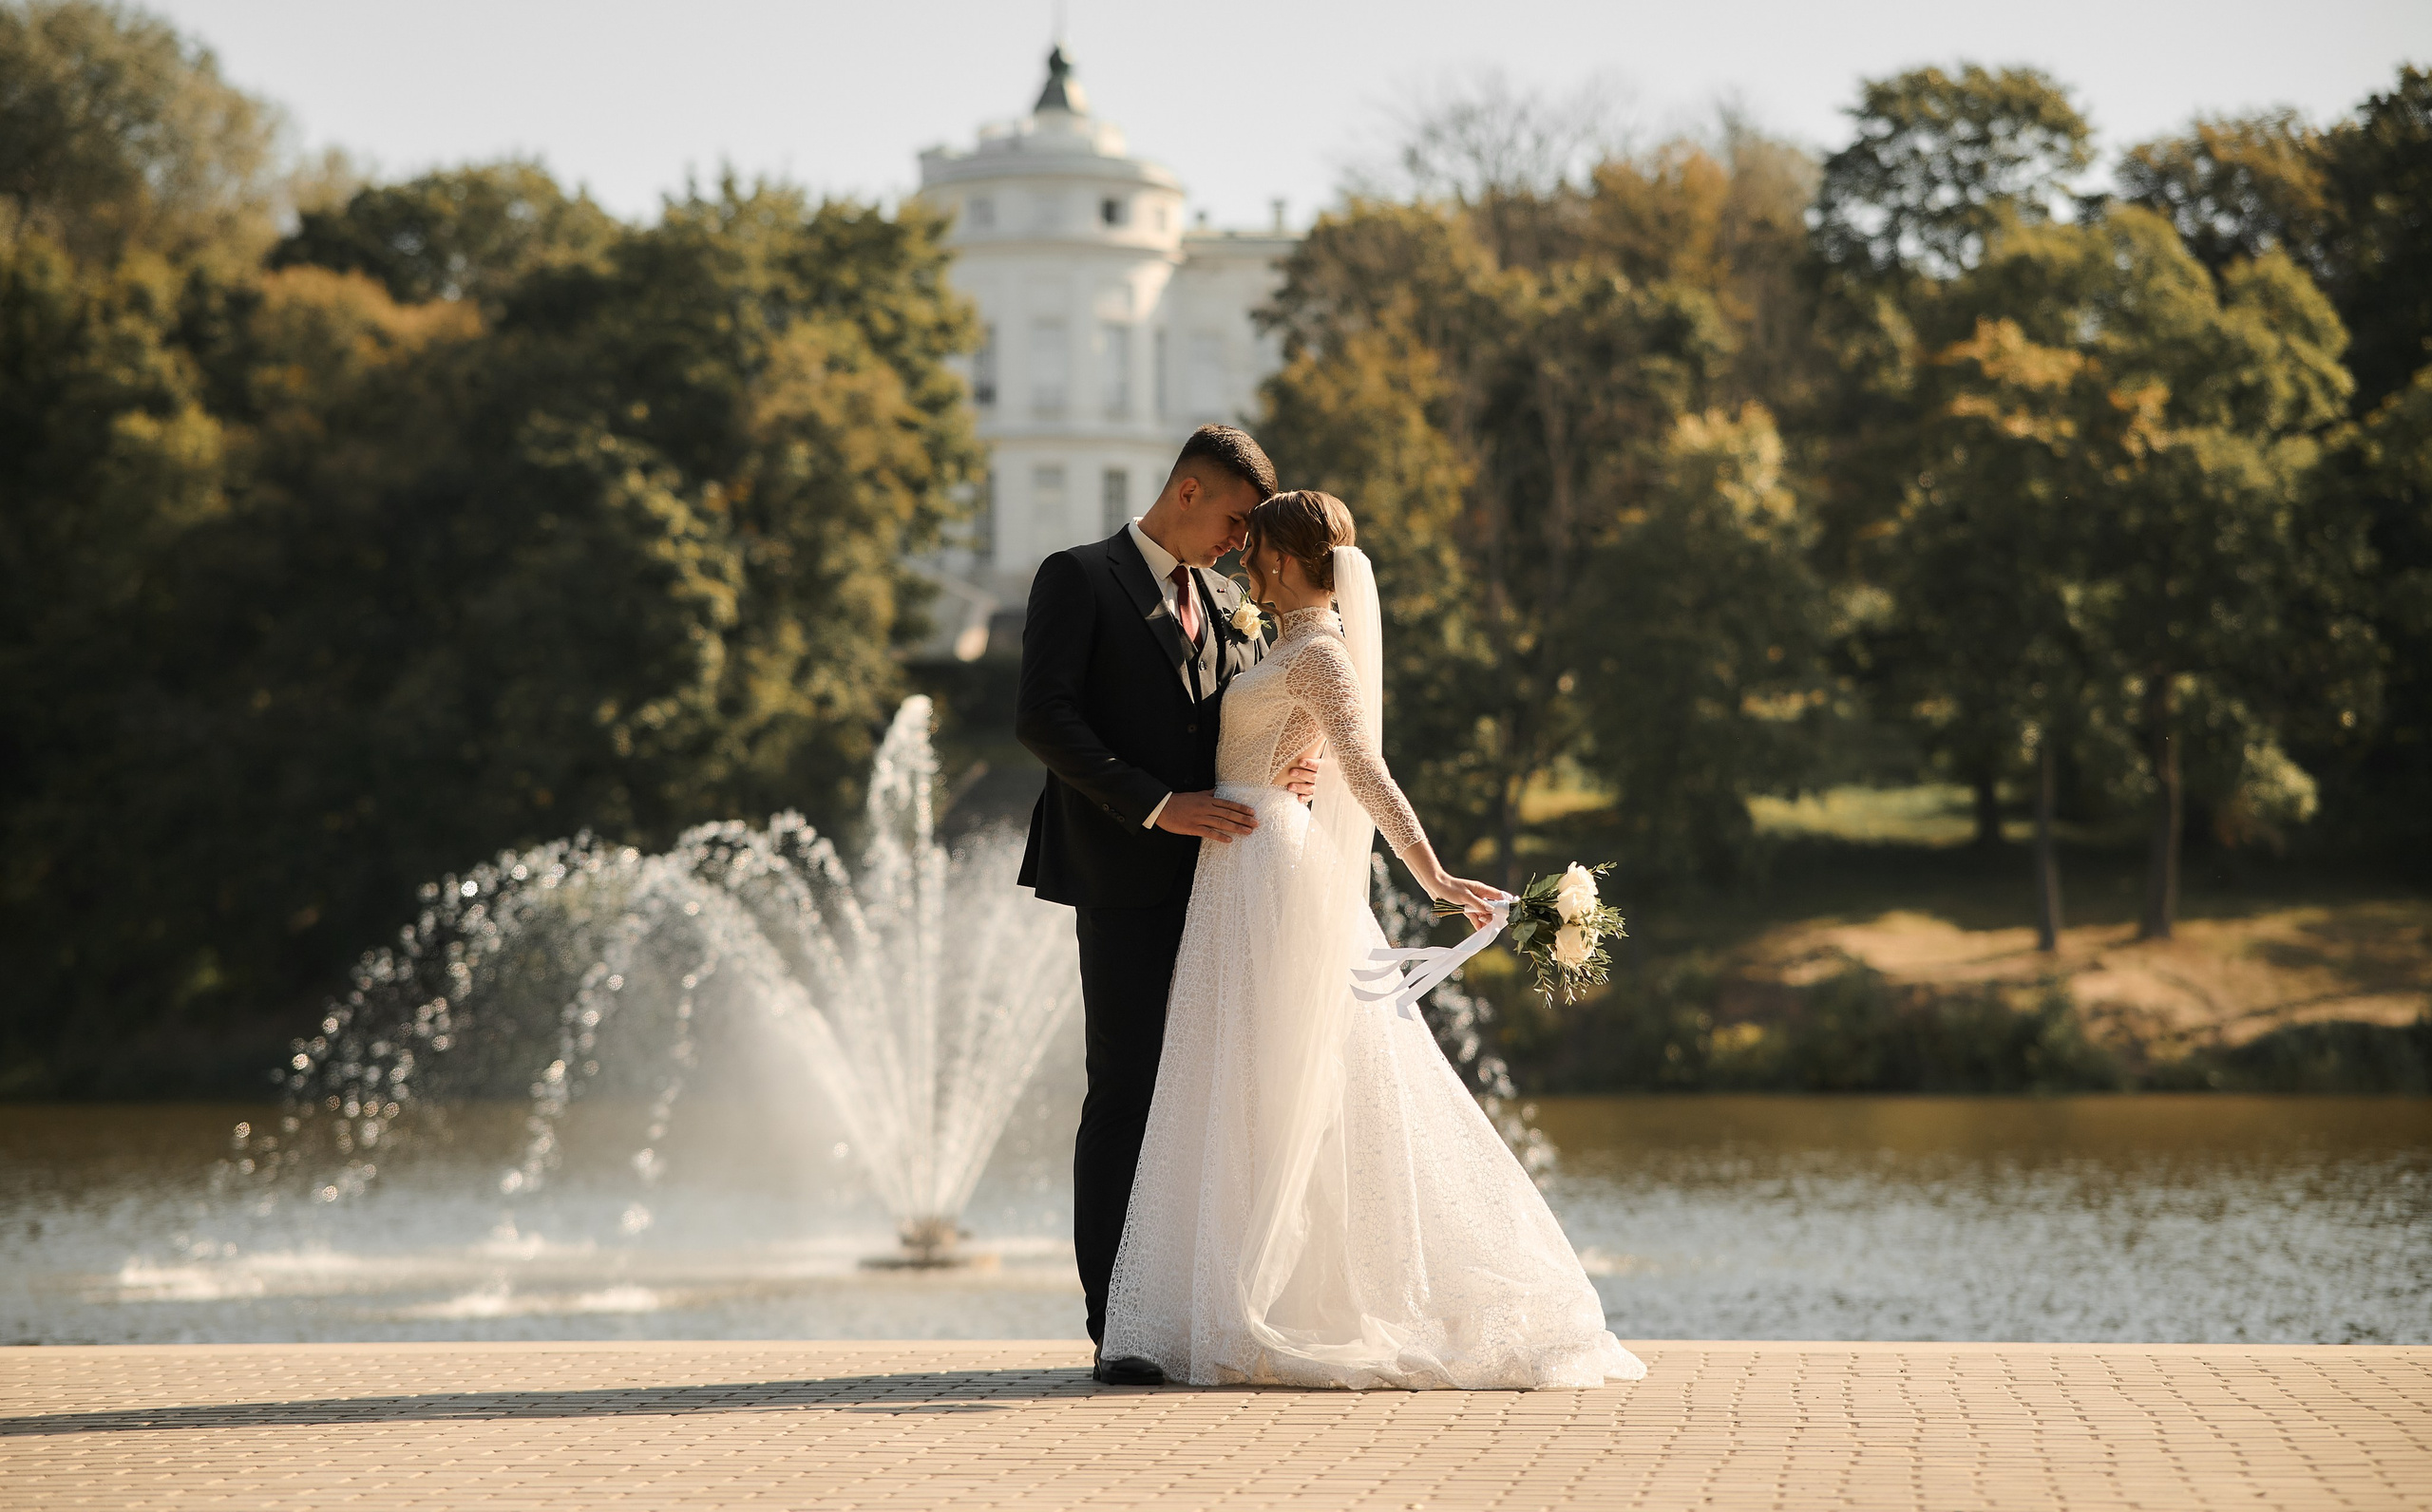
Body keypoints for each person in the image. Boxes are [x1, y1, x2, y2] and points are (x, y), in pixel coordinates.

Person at [1099, 490, 1644, 1389]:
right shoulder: (1284, 645)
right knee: (1241, 1080)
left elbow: (1366, 769)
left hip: (1269, 868)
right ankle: (1233, 1302)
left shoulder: (1321, 655)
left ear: (1281, 561)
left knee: (1306, 1074)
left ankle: (1303, 1299)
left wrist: (1434, 876)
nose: (1241, 559)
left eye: (1253, 548)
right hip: (1239, 862)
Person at [1015, 425, 1320, 1384]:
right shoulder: (1077, 576)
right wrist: (1156, 804)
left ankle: (1193, 1302)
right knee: (1128, 1089)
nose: (1243, 541)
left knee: (1213, 1094)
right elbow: (1044, 717)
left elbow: (1239, 725)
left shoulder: (1228, 602)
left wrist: (1289, 766)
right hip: (1121, 874)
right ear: (1188, 490)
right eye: (1236, 518)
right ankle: (1119, 1324)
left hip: (1227, 886)